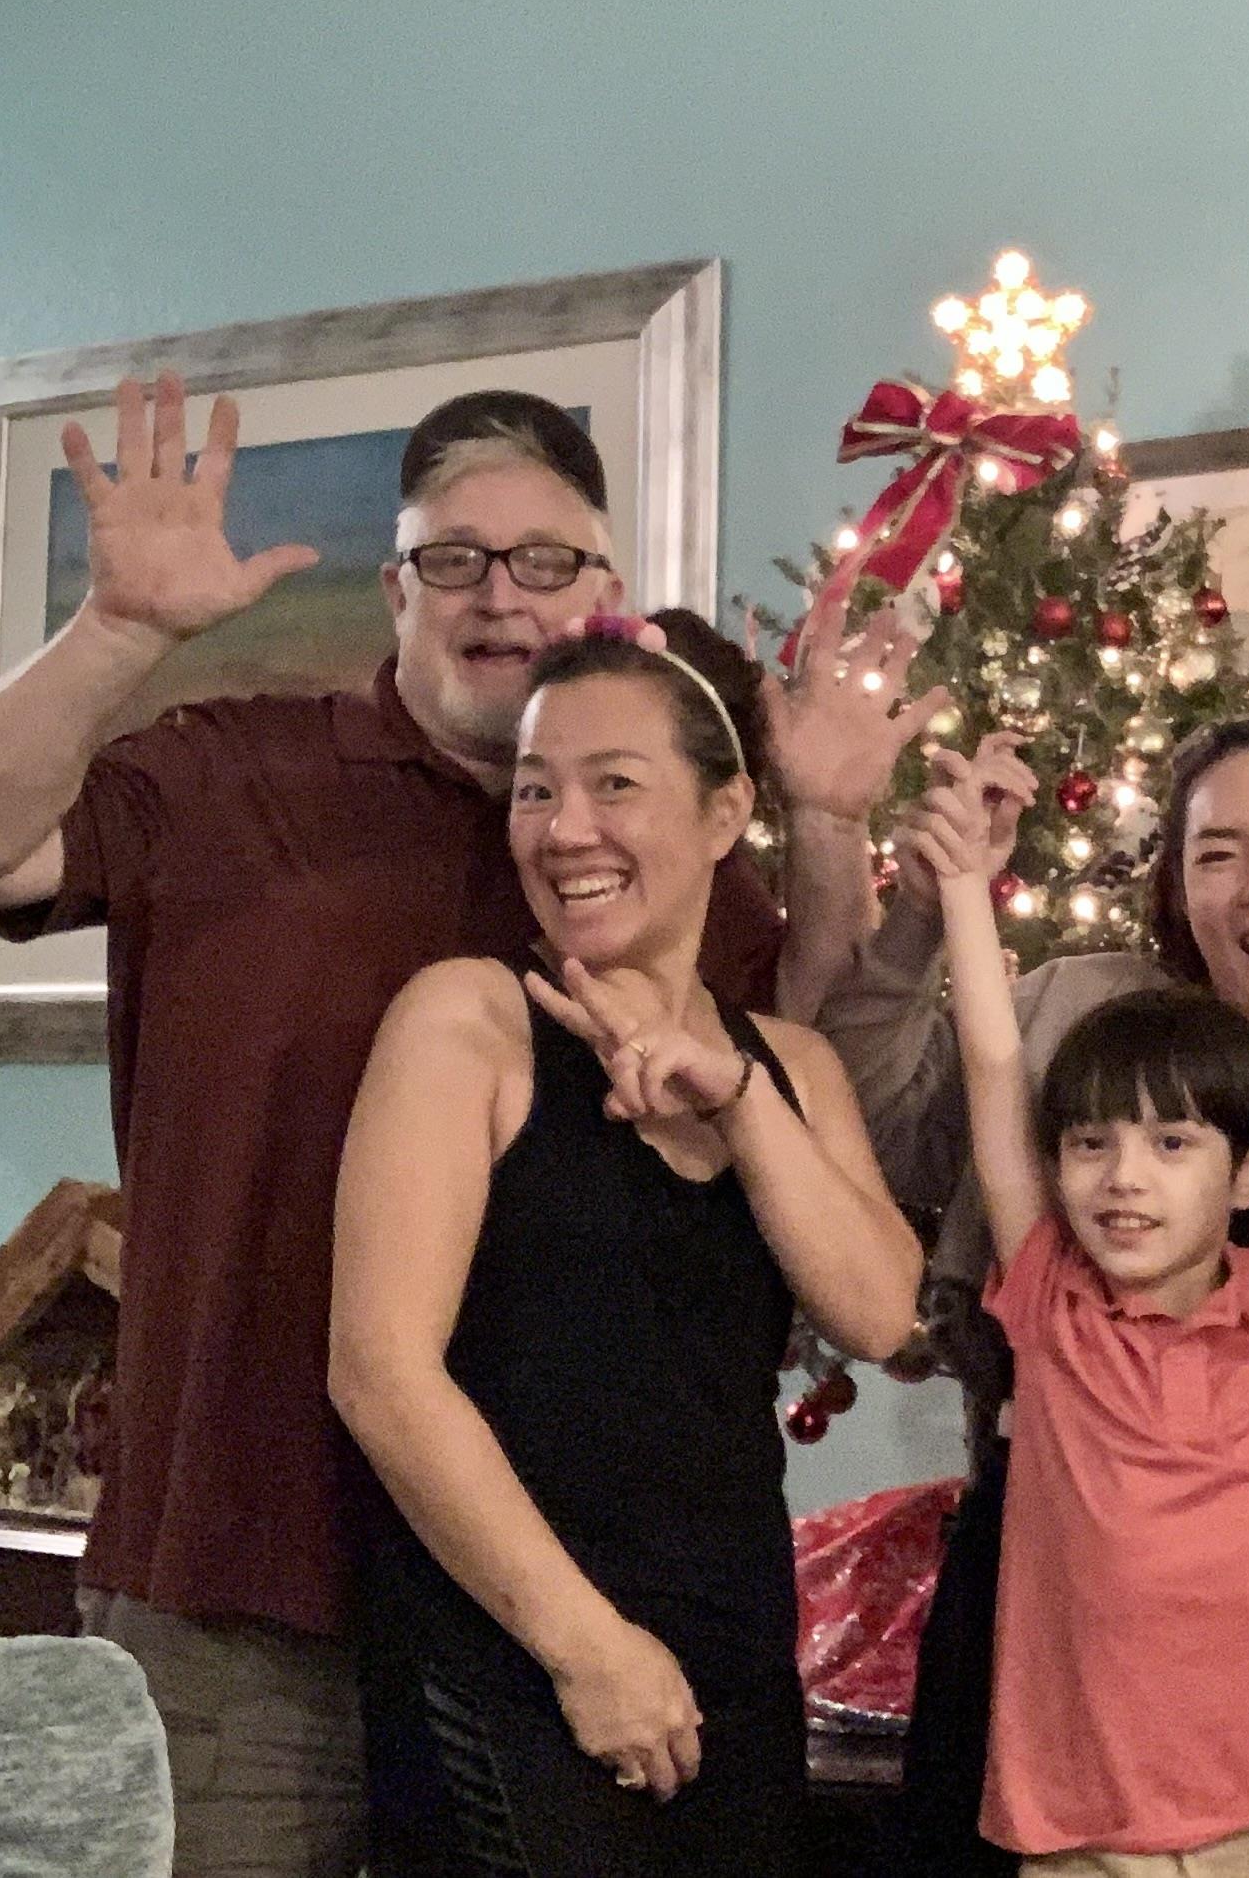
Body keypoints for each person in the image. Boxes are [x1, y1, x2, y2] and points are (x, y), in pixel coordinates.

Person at [0, 377, 939, 1876]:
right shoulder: (234, 770)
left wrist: (826, 825)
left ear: (601, 590)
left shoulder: (621, 857)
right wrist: (116, 629)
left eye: (544, 559)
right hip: (253, 1594)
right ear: (397, 589)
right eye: (454, 557)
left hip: (543, 1609)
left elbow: (796, 1069)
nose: (500, 593)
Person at [815, 719, 1249, 1876]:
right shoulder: (1079, 1033)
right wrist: (946, 898)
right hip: (1070, 1680)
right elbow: (917, 1097)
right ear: (1176, 886)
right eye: (1219, 852)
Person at [329, 611, 925, 1876]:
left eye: (614, 785)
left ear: (723, 816)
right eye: (536, 789)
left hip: (736, 1670)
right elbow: (380, 1374)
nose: (565, 830)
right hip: (514, 1663)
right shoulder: (465, 1022)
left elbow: (879, 1312)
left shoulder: (789, 1066)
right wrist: (586, 1648)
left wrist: (740, 1101)